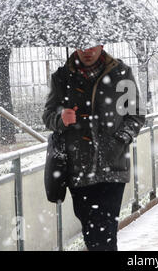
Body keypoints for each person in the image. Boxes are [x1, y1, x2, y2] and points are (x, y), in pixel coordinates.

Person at [42, 45, 145, 251]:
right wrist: (61, 119)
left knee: (106, 232)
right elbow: (48, 117)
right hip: (78, 167)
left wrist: (120, 139)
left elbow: (135, 115)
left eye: (91, 46)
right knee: (91, 232)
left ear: (101, 45)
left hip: (113, 167)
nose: (86, 51)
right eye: (81, 46)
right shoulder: (62, 77)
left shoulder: (121, 74)